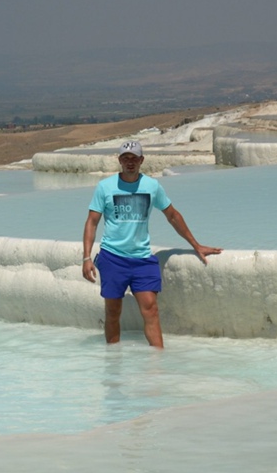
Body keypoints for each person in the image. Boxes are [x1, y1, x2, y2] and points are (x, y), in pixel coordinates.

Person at [82, 140, 222, 348]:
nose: (130, 162)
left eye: (134, 158)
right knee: (113, 311)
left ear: (141, 160)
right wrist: (86, 257)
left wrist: (196, 245)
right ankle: (113, 365)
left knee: (151, 308)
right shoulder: (105, 187)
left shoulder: (152, 186)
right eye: (126, 158)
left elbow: (172, 215)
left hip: (142, 258)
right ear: (119, 160)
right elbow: (92, 222)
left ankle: (157, 366)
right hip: (113, 257)